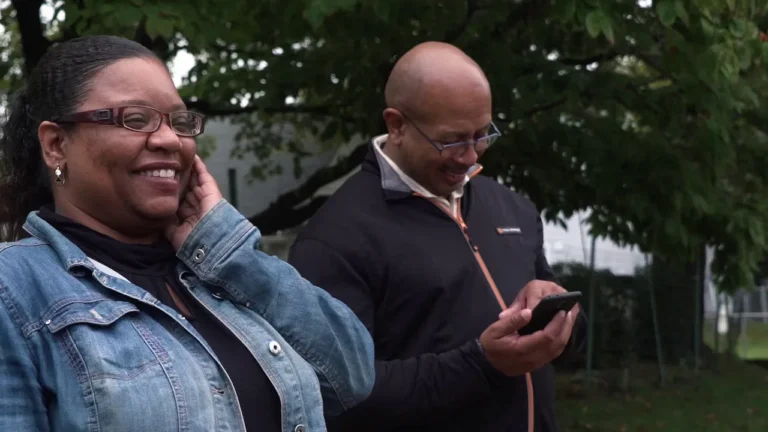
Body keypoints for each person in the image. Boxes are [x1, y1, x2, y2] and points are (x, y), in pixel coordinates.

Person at [0, 35, 374, 432]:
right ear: (56, 144)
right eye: (135, 119)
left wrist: (224, 249)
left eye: (179, 122)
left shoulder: (218, 269)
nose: (168, 139)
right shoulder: (14, 289)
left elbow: (351, 377)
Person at [288, 41, 587, 432]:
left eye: (482, 134)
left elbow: (570, 347)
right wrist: (483, 364)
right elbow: (339, 395)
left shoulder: (512, 209)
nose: (471, 156)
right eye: (453, 140)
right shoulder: (334, 239)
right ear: (396, 125)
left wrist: (564, 321)